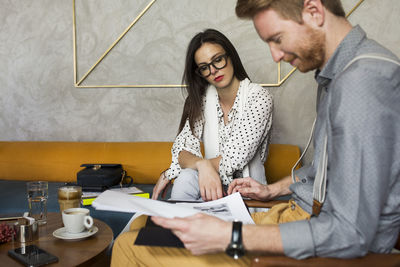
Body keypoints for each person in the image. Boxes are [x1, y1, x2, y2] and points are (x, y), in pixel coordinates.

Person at [111, 0, 400, 264]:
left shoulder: (362, 82)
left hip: (318, 236)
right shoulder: (336, 76)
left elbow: (349, 233)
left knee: (130, 245)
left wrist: (231, 236)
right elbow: (327, 170)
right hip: (295, 216)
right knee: (142, 226)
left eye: (277, 39)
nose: (275, 56)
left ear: (314, 12)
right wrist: (272, 189)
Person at [152, 29, 273, 202]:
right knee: (185, 178)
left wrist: (200, 166)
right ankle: (174, 226)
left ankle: (181, 223)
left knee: (187, 174)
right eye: (204, 67)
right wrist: (202, 165)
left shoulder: (259, 98)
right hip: (210, 186)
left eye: (218, 60)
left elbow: (233, 159)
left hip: (245, 191)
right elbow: (182, 149)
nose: (214, 70)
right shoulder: (203, 101)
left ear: (230, 56)